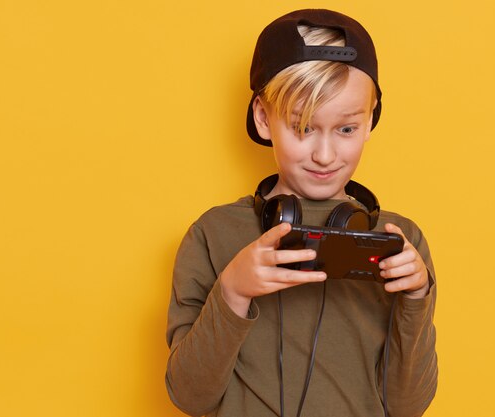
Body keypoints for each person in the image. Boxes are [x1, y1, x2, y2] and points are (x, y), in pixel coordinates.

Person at [166, 8, 437, 417]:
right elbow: (189, 396)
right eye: (303, 127)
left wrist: (416, 297)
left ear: (370, 120)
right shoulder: (213, 233)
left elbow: (408, 407)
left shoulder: (401, 244)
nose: (325, 155)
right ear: (262, 117)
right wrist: (233, 292)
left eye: (345, 129)